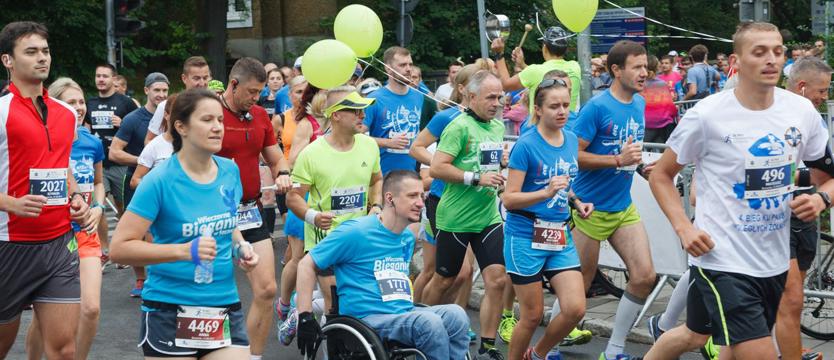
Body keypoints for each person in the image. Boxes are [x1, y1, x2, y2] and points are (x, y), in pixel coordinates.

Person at [643, 22, 834, 360]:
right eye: (759, 52)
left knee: (693, 335)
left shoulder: (801, 111)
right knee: (757, 352)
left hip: (772, 260)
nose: (771, 59)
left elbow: (829, 177)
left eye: (777, 51)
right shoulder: (707, 115)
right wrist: (684, 228)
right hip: (722, 260)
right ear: (737, 60)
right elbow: (661, 175)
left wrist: (821, 198)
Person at [109, 88, 259, 360]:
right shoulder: (159, 180)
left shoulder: (229, 170)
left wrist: (241, 248)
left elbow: (226, 222)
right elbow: (119, 248)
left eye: (220, 120)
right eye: (207, 120)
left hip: (222, 305)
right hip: (169, 308)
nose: (217, 128)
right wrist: (184, 251)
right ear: (181, 127)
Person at [294, 170, 470, 359]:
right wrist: (305, 316)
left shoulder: (406, 238)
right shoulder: (356, 231)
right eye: (412, 196)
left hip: (402, 313)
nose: (420, 202)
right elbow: (306, 264)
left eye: (421, 195)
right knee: (429, 323)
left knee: (457, 315)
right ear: (390, 198)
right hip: (367, 318)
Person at [0, 21, 95, 359]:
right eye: (31, 52)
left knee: (64, 349)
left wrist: (77, 198)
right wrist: (9, 202)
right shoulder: (1, 111)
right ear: (8, 61)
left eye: (45, 51)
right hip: (9, 246)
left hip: (58, 244)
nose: (42, 58)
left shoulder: (67, 114)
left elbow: (60, 163)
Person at [566, 40, 656, 360]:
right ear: (616, 70)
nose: (645, 72)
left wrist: (643, 166)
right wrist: (617, 160)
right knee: (577, 295)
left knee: (645, 276)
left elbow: (628, 151)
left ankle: (614, 349)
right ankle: (544, 346)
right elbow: (572, 155)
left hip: (622, 208)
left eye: (646, 66)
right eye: (637, 67)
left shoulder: (639, 105)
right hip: (588, 210)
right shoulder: (597, 107)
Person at [283, 86, 384, 344]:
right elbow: (293, 197)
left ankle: (301, 307)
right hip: (325, 239)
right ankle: (336, 348)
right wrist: (313, 216)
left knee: (356, 299)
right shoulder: (312, 154)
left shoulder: (369, 145)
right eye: (355, 110)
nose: (362, 115)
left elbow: (377, 180)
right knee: (334, 302)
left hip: (360, 236)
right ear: (336, 115)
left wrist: (376, 205)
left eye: (363, 109)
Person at [502, 77, 593, 360]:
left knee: (576, 309)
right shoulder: (526, 145)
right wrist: (544, 192)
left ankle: (538, 354)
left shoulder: (569, 140)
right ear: (538, 109)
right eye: (554, 106)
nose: (562, 111)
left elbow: (563, 181)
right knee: (531, 316)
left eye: (566, 105)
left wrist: (576, 201)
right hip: (525, 235)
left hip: (559, 234)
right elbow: (509, 198)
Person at [422, 71, 509, 359]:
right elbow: (437, 168)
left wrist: (500, 165)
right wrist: (476, 178)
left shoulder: (497, 126)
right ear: (471, 97)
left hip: (487, 217)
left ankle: (487, 342)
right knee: (446, 280)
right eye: (491, 97)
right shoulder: (458, 126)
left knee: (497, 279)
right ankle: (420, 326)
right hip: (456, 219)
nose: (497, 103)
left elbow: (487, 163)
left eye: (500, 96)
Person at [215, 57, 292, 360]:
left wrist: (283, 172)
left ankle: (253, 356)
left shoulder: (259, 115)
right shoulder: (210, 114)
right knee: (214, 295)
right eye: (251, 91)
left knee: (266, 289)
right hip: (214, 217)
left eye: (259, 92)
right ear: (233, 85)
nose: (256, 98)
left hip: (250, 212)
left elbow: (275, 158)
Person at [26, 77, 106, 360]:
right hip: (53, 234)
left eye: (82, 101)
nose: (79, 107)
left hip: (85, 229)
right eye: (71, 102)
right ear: (57, 105)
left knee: (92, 308)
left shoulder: (92, 142)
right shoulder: (40, 138)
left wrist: (97, 206)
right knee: (43, 317)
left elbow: (98, 181)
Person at [410, 62, 485, 343]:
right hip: (443, 199)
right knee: (440, 270)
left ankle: (454, 321)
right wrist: (443, 163)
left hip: (474, 203)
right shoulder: (447, 117)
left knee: (464, 272)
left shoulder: (489, 120)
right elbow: (415, 147)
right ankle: (419, 320)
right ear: (464, 89)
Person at [775, 56, 834, 360]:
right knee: (792, 297)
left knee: (790, 298)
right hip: (774, 218)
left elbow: (827, 175)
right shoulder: (766, 110)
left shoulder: (812, 119)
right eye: (822, 91)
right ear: (801, 87)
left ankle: (789, 348)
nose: (826, 97)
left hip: (804, 214)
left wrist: (820, 198)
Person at [110, 72, 169, 297]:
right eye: (157, 90)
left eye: (165, 91)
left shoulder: (174, 116)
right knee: (137, 229)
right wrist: (146, 160)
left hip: (166, 182)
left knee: (160, 227)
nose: (161, 95)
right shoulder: (134, 119)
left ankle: (159, 275)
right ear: (146, 91)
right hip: (136, 178)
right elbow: (114, 152)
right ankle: (140, 278)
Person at [84, 63, 139, 216]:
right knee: (98, 207)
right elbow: (86, 128)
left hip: (120, 163)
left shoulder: (126, 102)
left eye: (105, 76)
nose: (101, 79)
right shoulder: (90, 103)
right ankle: (103, 241)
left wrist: (122, 124)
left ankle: (122, 221)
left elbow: (139, 129)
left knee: (124, 208)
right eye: (98, 76)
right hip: (98, 163)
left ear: (113, 79)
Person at [493, 26, 582, 114]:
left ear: (545, 47)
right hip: (569, 126)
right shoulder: (575, 67)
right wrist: (522, 64)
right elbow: (543, 73)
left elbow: (506, 85)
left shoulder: (534, 71)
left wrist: (499, 54)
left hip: (541, 126)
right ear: (566, 49)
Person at [363, 46, 424, 175]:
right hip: (381, 175)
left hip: (410, 173)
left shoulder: (418, 96)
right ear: (388, 68)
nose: (408, 69)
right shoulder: (374, 99)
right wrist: (388, 142)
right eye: (402, 65)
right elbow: (356, 137)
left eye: (410, 64)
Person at [145, 56, 212, 144]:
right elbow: (149, 141)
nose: (202, 83)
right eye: (196, 78)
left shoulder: (215, 106)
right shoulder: (166, 106)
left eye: (205, 78)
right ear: (184, 78)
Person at [130, 93, 178, 189]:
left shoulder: (195, 144)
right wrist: (159, 190)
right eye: (176, 113)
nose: (180, 118)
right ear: (166, 115)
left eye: (185, 114)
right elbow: (135, 181)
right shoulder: (154, 145)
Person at [642, 55, 678, 144]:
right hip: (662, 125)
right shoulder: (661, 84)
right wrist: (675, 113)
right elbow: (670, 106)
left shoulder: (639, 84)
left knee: (643, 153)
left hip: (645, 125)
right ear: (657, 67)